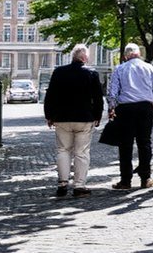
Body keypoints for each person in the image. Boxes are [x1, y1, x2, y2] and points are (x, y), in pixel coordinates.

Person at [44, 44, 104, 197]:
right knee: (81, 152)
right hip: (84, 118)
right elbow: (98, 98)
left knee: (63, 150)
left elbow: (50, 95)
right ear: (84, 58)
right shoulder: (91, 73)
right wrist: (97, 116)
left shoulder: (59, 72)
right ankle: (79, 185)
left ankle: (63, 183)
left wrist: (49, 115)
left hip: (62, 118)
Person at [107, 43, 153, 190]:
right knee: (144, 142)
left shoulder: (120, 69)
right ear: (139, 54)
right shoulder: (149, 67)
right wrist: (151, 99)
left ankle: (125, 180)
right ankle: (145, 178)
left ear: (125, 56)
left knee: (125, 145)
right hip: (145, 107)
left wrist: (111, 107)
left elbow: (112, 92)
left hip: (125, 109)